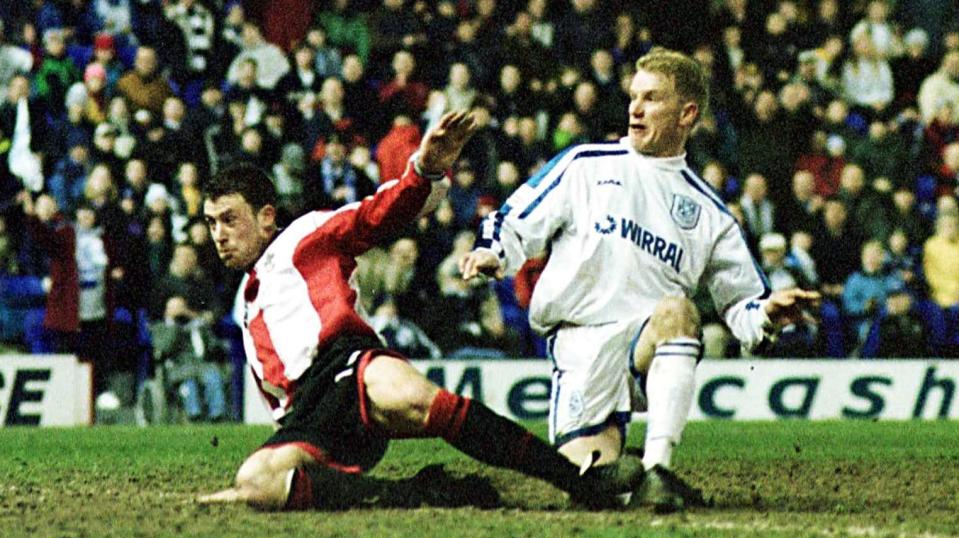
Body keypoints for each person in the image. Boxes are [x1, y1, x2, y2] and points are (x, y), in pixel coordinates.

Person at [197, 111, 646, 511]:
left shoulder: (306, 236)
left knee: (417, 398)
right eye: (211, 223)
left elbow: (379, 213)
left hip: (348, 367)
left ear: (267, 217)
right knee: (256, 482)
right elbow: (276, 398)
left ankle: (581, 480)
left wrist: (424, 170)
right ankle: (419, 492)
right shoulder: (248, 304)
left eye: (229, 219)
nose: (218, 234)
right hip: (309, 419)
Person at [460, 49, 821, 511]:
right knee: (594, 486)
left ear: (686, 113)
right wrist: (493, 253)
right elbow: (513, 221)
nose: (635, 107)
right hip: (581, 348)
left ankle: (658, 469)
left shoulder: (711, 214)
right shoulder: (586, 165)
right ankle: (625, 469)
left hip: (648, 344)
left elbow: (743, 306)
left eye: (651, 98)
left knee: (678, 312)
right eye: (634, 96)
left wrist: (766, 314)